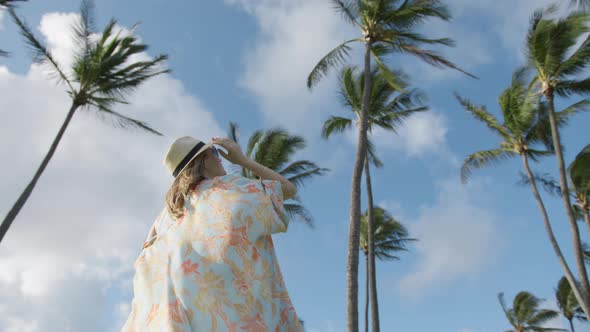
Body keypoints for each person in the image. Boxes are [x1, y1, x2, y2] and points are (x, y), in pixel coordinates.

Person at [121, 136, 303, 331]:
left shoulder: (165, 217)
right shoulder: (228, 188)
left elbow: (145, 260)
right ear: (203, 161)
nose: (220, 158)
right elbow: (288, 189)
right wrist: (243, 161)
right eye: (215, 153)